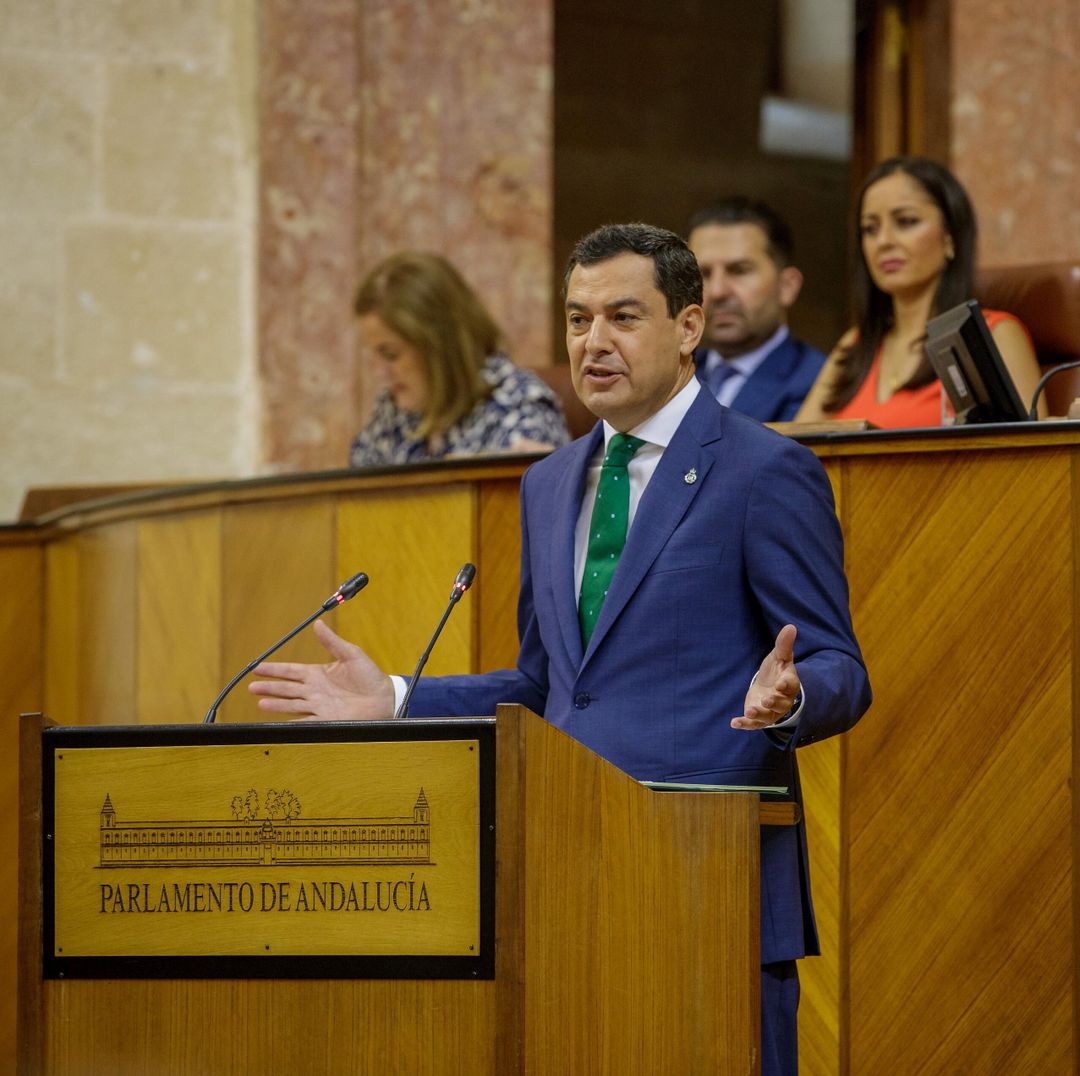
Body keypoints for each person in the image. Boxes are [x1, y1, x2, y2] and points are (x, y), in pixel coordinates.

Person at [250, 224, 872, 1076]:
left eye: (623, 316)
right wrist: (395, 697)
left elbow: (841, 667)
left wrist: (792, 697)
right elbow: (547, 688)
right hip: (569, 875)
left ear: (688, 328)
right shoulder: (548, 484)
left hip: (707, 879)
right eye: (579, 320)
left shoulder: (766, 472)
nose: (594, 341)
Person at [794, 156, 1041, 426]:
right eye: (870, 229)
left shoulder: (995, 334)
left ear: (951, 237)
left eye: (906, 222)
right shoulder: (855, 344)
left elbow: (1033, 460)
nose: (884, 241)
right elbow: (793, 447)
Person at [348, 251, 569, 466]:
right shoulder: (392, 410)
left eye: (390, 354)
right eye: (374, 355)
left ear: (440, 346)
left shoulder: (521, 407)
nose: (379, 373)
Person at [686, 197, 828, 423]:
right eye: (704, 274)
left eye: (739, 270)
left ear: (786, 287)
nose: (718, 291)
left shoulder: (819, 383)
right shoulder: (671, 375)